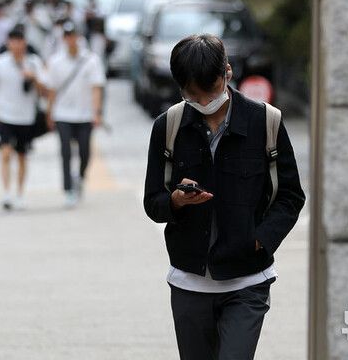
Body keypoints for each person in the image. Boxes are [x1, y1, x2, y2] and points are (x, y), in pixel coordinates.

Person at [143, 34, 306, 360]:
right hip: (189, 282)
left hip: (248, 281)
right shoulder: (168, 126)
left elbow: (291, 195)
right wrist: (176, 201)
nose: (204, 101)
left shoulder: (266, 122)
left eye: (211, 90)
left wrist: (260, 239)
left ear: (227, 72)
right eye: (193, 94)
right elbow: (153, 202)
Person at [0, 26, 47, 210]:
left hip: (26, 116)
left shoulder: (34, 62)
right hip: (4, 115)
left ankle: (20, 194)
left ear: (25, 43)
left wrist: (33, 78)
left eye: (20, 41)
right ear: (8, 43)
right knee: (5, 153)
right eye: (13, 42)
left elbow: (45, 91)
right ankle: (6, 193)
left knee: (22, 155)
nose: (17, 45)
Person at [45, 21, 105, 207]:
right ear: (64, 38)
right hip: (62, 113)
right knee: (65, 151)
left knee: (85, 151)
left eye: (73, 35)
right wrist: (49, 112)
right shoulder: (55, 61)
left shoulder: (91, 60)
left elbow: (96, 88)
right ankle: (68, 188)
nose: (71, 39)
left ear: (78, 37)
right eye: (67, 36)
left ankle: (80, 177)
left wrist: (96, 112)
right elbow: (52, 89)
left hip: (85, 114)